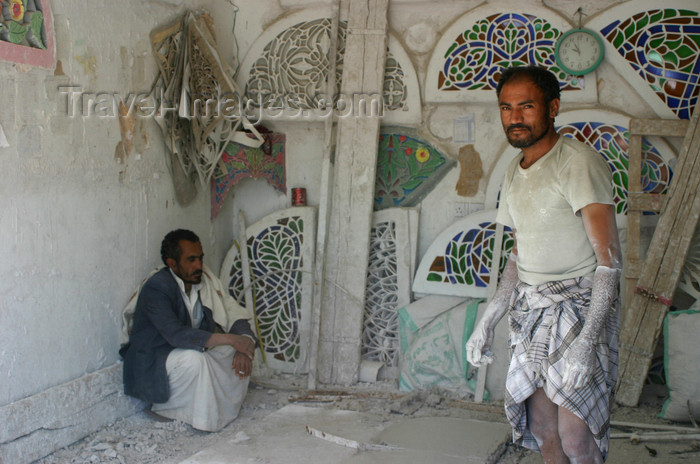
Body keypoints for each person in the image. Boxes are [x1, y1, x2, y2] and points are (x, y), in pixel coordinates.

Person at [466, 66, 622, 463]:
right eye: (506, 107)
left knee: (576, 439)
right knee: (542, 432)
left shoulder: (578, 163)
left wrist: (587, 343)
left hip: (579, 312)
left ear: (553, 107)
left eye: (526, 106)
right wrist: (490, 318)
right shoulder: (513, 172)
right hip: (531, 313)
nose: (515, 117)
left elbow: (609, 264)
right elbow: (518, 256)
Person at [120, 229, 258, 432]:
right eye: (191, 260)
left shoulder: (204, 281)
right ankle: (167, 410)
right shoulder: (157, 288)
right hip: (154, 359)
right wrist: (230, 338)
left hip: (187, 350)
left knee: (232, 351)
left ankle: (220, 410)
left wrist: (242, 342)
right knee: (195, 360)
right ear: (172, 263)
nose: (199, 266)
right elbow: (176, 335)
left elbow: (232, 312)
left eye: (200, 258)